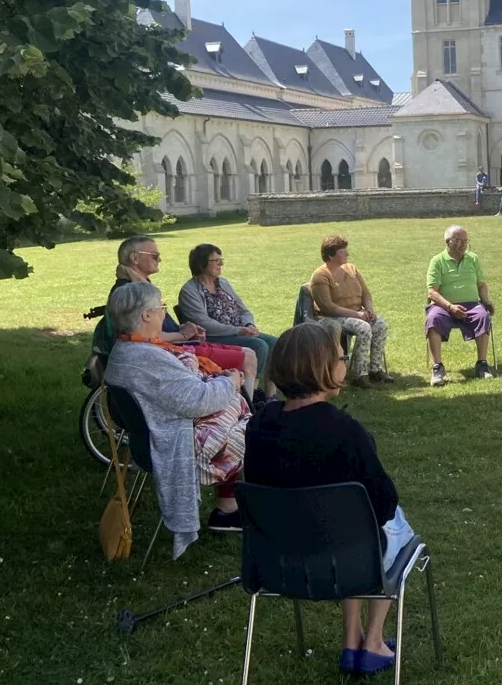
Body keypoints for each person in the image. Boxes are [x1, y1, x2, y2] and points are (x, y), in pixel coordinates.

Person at [245, 322, 416, 676]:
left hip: (279, 560)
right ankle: (372, 642)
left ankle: (352, 639)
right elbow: (383, 504)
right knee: (389, 522)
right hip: (343, 561)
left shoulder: (258, 424)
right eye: (341, 357)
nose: (345, 363)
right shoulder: (345, 431)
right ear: (320, 368)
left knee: (348, 527)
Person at [104, 281, 249, 553]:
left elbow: (183, 392)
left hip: (157, 435)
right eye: (160, 307)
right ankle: (249, 511)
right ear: (146, 315)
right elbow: (198, 401)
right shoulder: (144, 358)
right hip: (178, 444)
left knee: (248, 416)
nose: (163, 313)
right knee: (260, 432)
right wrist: (230, 382)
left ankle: (229, 508)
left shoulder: (127, 349)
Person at [112, 235, 260, 403]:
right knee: (249, 356)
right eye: (154, 255)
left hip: (179, 344)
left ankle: (254, 400)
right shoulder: (131, 292)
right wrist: (183, 335)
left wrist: (184, 330)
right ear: (135, 258)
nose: (159, 259)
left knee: (251, 352)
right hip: (175, 349)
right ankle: (248, 408)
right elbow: (146, 336)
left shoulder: (138, 287)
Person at [177, 243, 279, 381]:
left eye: (222, 260)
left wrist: (249, 325)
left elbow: (243, 309)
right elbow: (204, 324)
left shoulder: (223, 283)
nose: (221, 264)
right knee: (259, 346)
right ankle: (254, 392)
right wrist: (237, 330)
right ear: (201, 265)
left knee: (277, 343)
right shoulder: (190, 291)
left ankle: (270, 394)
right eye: (216, 261)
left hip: (240, 331)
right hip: (215, 336)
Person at [309, 235, 394, 389]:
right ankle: (360, 375)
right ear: (330, 255)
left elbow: (366, 294)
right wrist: (357, 315)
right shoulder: (320, 276)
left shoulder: (351, 269)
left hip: (357, 312)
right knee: (364, 327)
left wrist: (369, 310)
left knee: (380, 324)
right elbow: (328, 307)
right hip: (332, 317)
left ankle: (375, 369)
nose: (347, 254)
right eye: (343, 252)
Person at [425, 225, 495, 386]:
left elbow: (481, 284)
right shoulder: (437, 261)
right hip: (443, 306)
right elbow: (432, 293)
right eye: (459, 241)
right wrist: (450, 307)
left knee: (482, 315)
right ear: (447, 242)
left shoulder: (473, 259)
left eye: (466, 240)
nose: (463, 244)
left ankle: (482, 364)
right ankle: (438, 367)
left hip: (471, 305)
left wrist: (486, 301)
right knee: (433, 319)